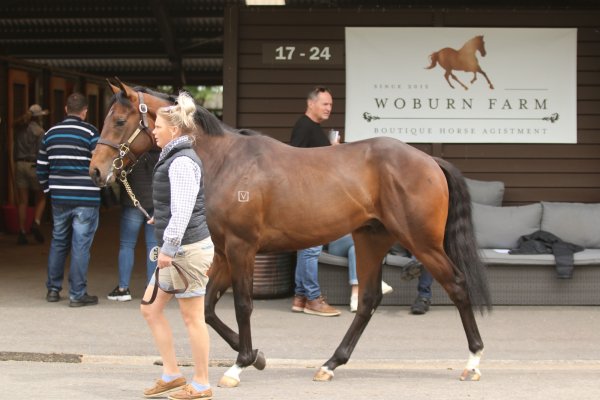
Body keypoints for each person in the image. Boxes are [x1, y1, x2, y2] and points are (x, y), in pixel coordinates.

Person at [140, 92, 214, 400]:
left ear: (174, 130)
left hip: (186, 252)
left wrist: (168, 249)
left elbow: (184, 211)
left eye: (157, 126)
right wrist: (162, 216)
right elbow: (179, 204)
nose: (153, 131)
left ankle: (201, 383)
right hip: (178, 250)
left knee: (192, 318)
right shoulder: (175, 157)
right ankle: (171, 374)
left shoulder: (181, 161)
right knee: (149, 309)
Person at [36, 93, 101, 307]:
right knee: (80, 245)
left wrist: (49, 191)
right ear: (85, 111)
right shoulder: (91, 132)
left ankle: (53, 290)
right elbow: (100, 165)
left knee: (58, 241)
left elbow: (41, 168)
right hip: (86, 198)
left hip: (59, 197)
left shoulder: (50, 134)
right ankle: (77, 294)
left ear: (66, 109)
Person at [289, 86, 341, 317]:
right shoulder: (304, 126)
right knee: (311, 249)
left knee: (306, 249)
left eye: (331, 105)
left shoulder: (314, 129)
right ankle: (313, 299)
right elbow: (294, 160)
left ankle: (300, 297)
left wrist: (331, 150)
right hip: (308, 198)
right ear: (311, 104)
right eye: (325, 104)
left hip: (309, 197)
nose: (329, 108)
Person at [107, 150, 159, 302]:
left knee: (127, 245)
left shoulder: (130, 155)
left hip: (132, 204)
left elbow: (115, 175)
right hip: (155, 205)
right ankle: (151, 289)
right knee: (153, 247)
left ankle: (123, 289)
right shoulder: (162, 153)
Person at [327, 234, 394, 312]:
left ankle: (355, 295)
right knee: (362, 238)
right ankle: (375, 281)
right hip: (336, 244)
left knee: (355, 249)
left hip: (357, 244)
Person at [13, 104, 48, 245]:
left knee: (23, 201)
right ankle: (36, 222)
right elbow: (42, 153)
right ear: (39, 118)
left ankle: (22, 231)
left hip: (19, 165)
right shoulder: (40, 132)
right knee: (41, 196)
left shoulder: (19, 129)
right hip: (34, 165)